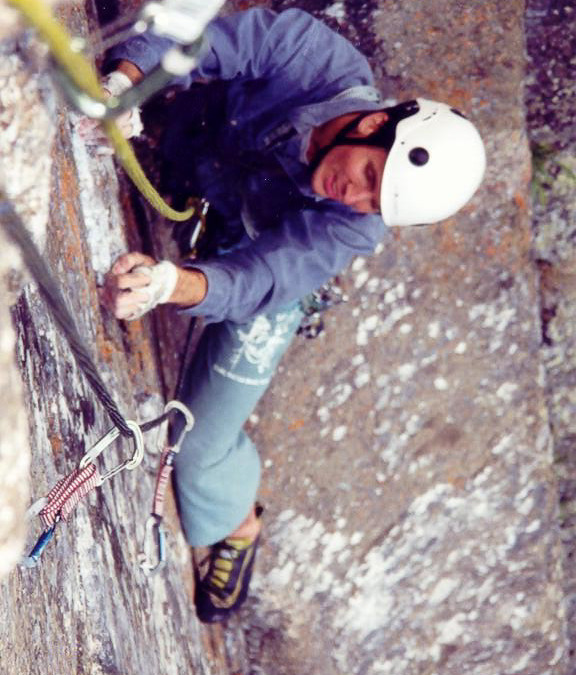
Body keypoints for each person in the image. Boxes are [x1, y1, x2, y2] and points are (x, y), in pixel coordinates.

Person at [94, 7, 486, 623]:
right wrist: (125, 84)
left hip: (260, 269)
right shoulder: (314, 60)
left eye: (373, 201)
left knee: (195, 450)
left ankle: (238, 525)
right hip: (197, 172)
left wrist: (168, 284)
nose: (354, 196)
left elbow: (263, 280)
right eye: (368, 173)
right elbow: (198, 39)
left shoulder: (355, 227)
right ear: (375, 123)